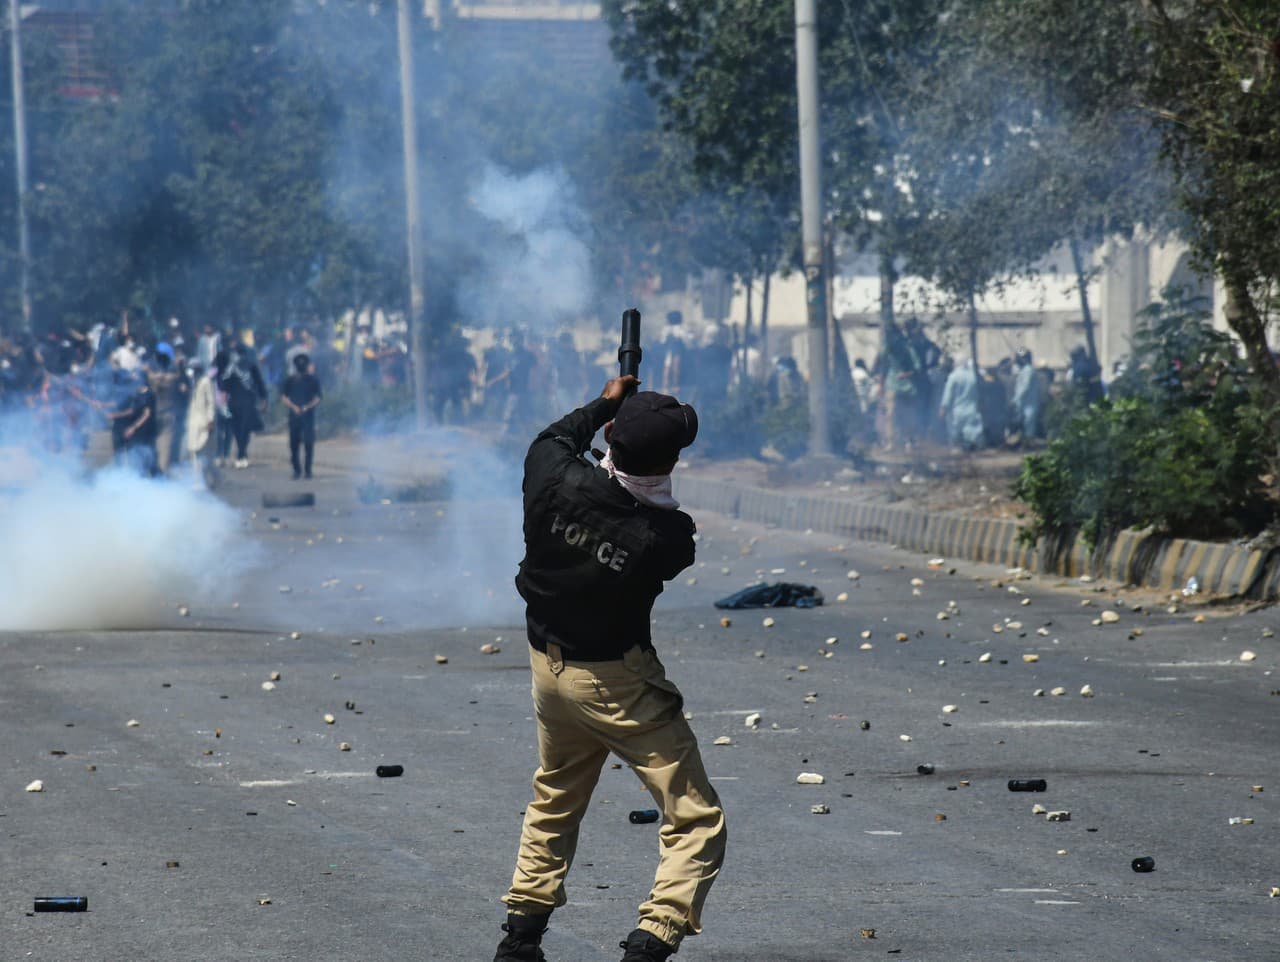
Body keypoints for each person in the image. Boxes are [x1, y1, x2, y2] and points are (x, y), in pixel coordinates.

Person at [494, 377, 726, 962]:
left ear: (609, 436)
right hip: (617, 682)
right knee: (695, 818)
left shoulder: (549, 472)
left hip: (548, 667)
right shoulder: (664, 538)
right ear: (672, 460)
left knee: (557, 793)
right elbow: (656, 519)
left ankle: (521, 938)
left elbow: (555, 436)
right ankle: (653, 940)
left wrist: (606, 400)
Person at [219, 342, 267, 468]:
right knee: (245, 430)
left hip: (234, 402)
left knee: (237, 430)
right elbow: (259, 382)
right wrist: (263, 399)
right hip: (248, 402)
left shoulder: (230, 367)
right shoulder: (251, 364)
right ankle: (242, 454)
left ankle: (241, 454)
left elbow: (224, 387)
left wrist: (223, 403)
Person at [281, 353, 322, 479]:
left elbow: (318, 397)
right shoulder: (290, 380)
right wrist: (294, 407)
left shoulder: (313, 380)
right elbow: (284, 397)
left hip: (308, 416)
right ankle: (296, 469)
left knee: (309, 443)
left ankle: (308, 470)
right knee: (294, 444)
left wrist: (307, 407)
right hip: (294, 417)